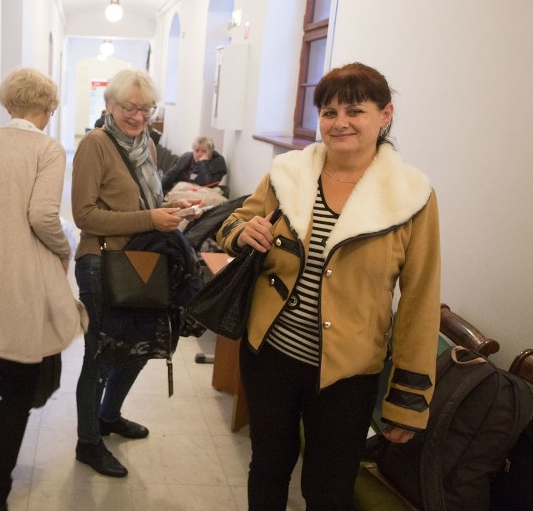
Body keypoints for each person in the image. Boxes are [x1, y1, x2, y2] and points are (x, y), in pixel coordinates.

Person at [216, 62, 441, 510]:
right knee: (268, 468)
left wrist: (407, 401)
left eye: (355, 110)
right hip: (271, 356)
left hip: (348, 375)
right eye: (329, 112)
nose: (340, 123)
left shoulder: (412, 196)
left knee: (329, 488)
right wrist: (241, 233)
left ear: (386, 114)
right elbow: (233, 223)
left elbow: (420, 301)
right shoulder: (288, 174)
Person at [0, 67, 85, 511]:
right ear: (49, 109)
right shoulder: (47, 149)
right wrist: (64, 249)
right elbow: (44, 216)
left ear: (7, 105)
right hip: (17, 279)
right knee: (19, 387)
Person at [72, 68, 199, 478]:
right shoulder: (95, 144)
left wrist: (170, 211)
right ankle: (88, 442)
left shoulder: (145, 145)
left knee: (139, 346)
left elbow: (148, 200)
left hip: (142, 259)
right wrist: (150, 218)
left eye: (146, 109)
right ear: (109, 105)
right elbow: (85, 215)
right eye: (130, 107)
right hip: (102, 262)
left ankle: (109, 416)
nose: (139, 116)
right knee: (101, 356)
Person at [160, 135, 228, 193]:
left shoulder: (218, 162)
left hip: (202, 192)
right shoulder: (187, 157)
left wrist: (203, 163)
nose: (199, 154)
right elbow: (171, 175)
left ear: (211, 152)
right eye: (197, 151)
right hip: (180, 188)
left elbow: (207, 184)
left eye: (204, 151)